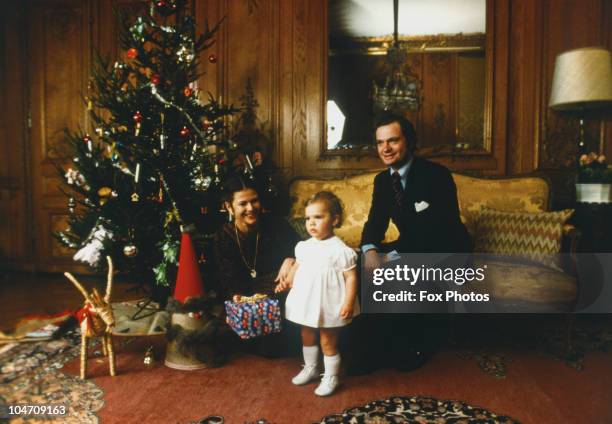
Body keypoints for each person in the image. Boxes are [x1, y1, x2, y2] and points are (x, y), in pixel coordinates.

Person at [353, 111, 471, 374]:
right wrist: (371, 250)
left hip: (447, 249)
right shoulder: (383, 181)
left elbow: (437, 233)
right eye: (380, 142)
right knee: (357, 262)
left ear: (408, 141)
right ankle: (366, 347)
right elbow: (374, 224)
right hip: (412, 246)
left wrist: (390, 258)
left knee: (401, 270)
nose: (386, 148)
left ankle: (410, 348)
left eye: (392, 141)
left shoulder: (437, 175)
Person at [275, 191, 359, 396]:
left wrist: (348, 302)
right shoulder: (303, 246)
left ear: (334, 220)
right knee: (307, 334)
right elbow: (297, 267)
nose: (311, 223)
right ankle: (311, 367)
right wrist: (287, 282)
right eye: (308, 218)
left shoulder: (341, 251)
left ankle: (331, 376)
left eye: (318, 217)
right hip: (307, 300)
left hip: (330, 303)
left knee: (327, 341)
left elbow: (351, 278)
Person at [213, 174, 301, 357]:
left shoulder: (275, 224)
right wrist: (240, 301)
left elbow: (304, 248)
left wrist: (292, 259)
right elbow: (228, 280)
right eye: (242, 204)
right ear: (229, 207)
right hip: (246, 298)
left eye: (254, 201)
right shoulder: (223, 237)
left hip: (279, 290)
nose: (251, 208)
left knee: (277, 345)